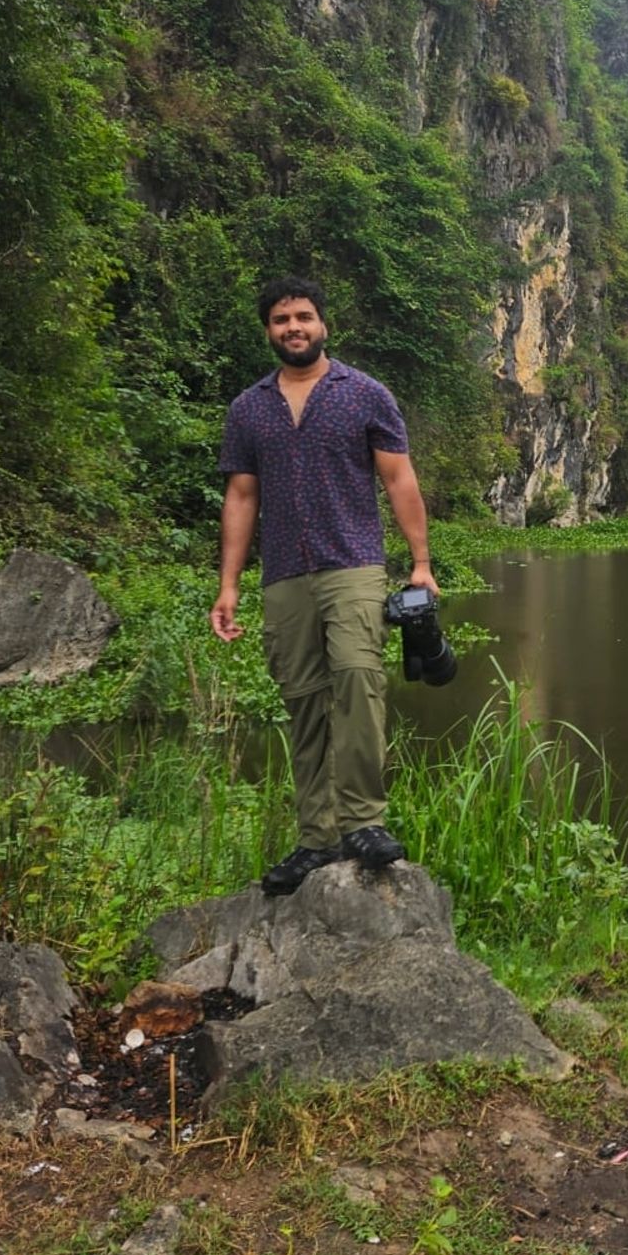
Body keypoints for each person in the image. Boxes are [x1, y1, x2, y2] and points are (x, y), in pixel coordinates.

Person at [210, 275, 439, 895]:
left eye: (304, 317)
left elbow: (399, 480)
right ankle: (317, 837)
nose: (294, 328)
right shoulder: (248, 409)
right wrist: (228, 585)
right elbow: (241, 495)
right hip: (284, 573)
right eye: (282, 319)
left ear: (323, 325)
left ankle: (364, 822)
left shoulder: (363, 394)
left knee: (359, 680)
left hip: (354, 563)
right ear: (269, 331)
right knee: (304, 703)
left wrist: (420, 563)